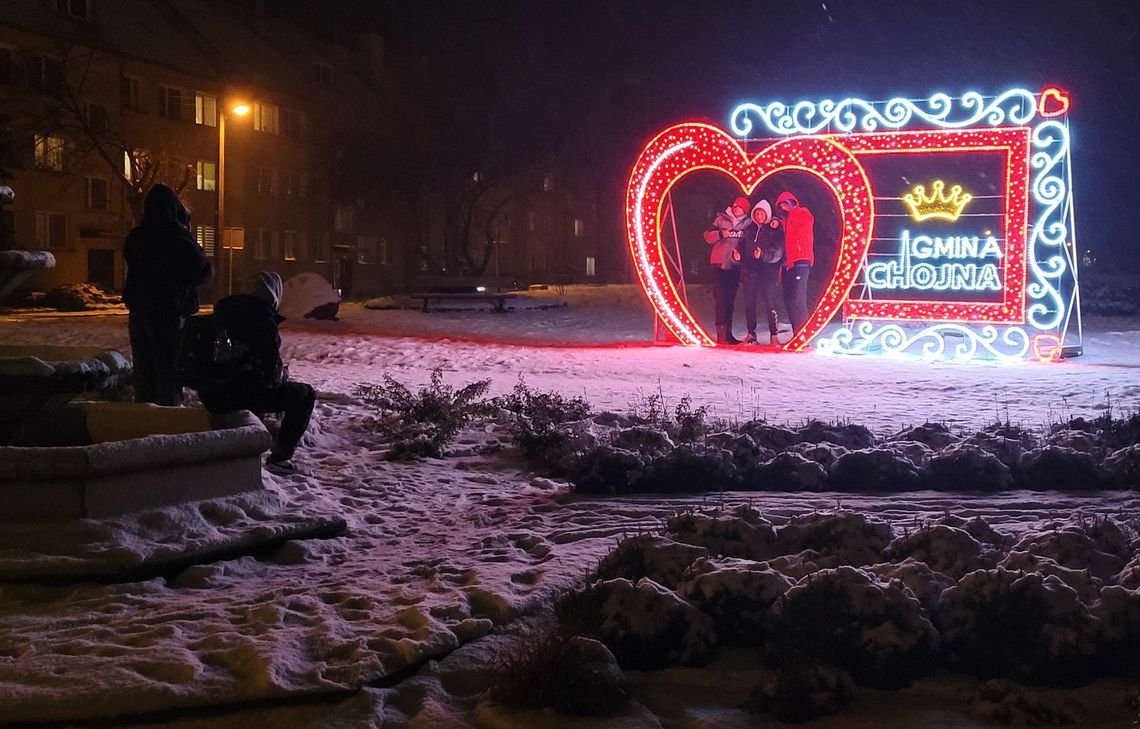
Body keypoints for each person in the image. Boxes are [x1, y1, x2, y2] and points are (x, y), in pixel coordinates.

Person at [195, 272, 316, 475]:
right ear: (274, 295)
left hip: (210, 394)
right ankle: (280, 459)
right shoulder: (262, 321)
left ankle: (248, 449)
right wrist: (282, 374)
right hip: (238, 395)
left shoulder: (221, 313)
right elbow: (271, 376)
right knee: (304, 394)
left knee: (252, 383)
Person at [123, 184, 213, 405]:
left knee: (144, 367)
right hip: (167, 312)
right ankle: (167, 413)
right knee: (168, 368)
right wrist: (190, 238)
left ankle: (144, 415)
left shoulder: (136, 236)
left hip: (138, 311)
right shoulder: (176, 238)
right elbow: (202, 271)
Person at [703, 195, 750, 344]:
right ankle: (721, 333)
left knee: (730, 300)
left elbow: (748, 244)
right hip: (719, 264)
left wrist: (740, 255)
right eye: (735, 206)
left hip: (734, 267)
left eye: (740, 207)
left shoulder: (748, 224)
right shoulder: (721, 219)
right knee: (721, 299)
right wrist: (720, 234)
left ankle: (728, 333)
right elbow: (707, 236)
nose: (737, 209)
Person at [737, 199, 785, 345]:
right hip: (750, 272)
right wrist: (738, 255)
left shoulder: (774, 229)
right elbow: (741, 246)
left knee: (770, 303)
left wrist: (763, 254)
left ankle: (774, 335)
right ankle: (751, 334)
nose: (759, 216)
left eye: (762, 213)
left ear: (767, 214)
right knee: (749, 303)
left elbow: (778, 251)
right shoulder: (749, 230)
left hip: (768, 273)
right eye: (756, 213)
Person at [775, 191, 815, 334]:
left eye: (786, 203)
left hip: (800, 260)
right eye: (781, 205)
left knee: (798, 297)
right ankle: (797, 332)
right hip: (787, 264)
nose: (784, 207)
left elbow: (802, 224)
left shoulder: (802, 213)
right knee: (789, 298)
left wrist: (791, 211)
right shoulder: (784, 221)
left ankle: (802, 334)